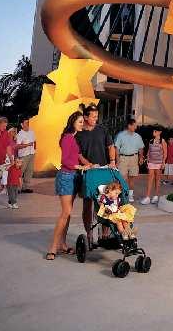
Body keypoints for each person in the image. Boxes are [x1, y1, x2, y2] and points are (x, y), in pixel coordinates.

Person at [46, 111, 91, 261]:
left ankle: (63, 244)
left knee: (68, 213)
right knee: (66, 212)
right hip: (66, 177)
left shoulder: (73, 137)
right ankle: (53, 247)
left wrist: (88, 164)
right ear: (73, 122)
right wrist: (80, 167)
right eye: (80, 122)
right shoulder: (67, 138)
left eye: (82, 122)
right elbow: (65, 160)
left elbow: (75, 156)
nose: (82, 124)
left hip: (74, 176)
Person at [76, 103, 116, 245]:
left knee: (106, 202)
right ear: (86, 117)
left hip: (103, 171)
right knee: (87, 205)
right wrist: (89, 164)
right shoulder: (79, 133)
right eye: (93, 116)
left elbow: (110, 146)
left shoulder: (102, 130)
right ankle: (89, 234)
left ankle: (105, 235)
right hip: (88, 173)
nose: (95, 119)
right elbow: (78, 154)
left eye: (97, 116)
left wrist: (112, 161)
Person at [115, 117, 144, 204]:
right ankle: (122, 195)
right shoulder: (120, 135)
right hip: (123, 158)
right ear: (129, 126)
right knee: (122, 178)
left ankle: (130, 195)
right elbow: (116, 148)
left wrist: (141, 157)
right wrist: (117, 160)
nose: (136, 127)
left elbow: (141, 148)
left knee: (132, 177)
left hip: (134, 158)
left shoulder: (137, 136)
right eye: (134, 125)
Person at [141, 128, 167, 205]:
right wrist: (147, 160)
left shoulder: (163, 141)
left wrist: (163, 163)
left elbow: (165, 153)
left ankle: (156, 196)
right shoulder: (151, 141)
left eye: (155, 131)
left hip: (159, 163)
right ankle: (147, 197)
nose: (154, 132)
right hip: (151, 162)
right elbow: (149, 151)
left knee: (157, 179)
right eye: (153, 131)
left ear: (160, 132)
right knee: (150, 179)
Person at [16, 118, 36, 193]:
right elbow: (17, 146)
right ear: (22, 124)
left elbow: (34, 141)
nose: (28, 124)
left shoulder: (32, 132)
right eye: (26, 123)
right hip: (23, 155)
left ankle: (25, 187)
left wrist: (34, 150)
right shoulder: (20, 134)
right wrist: (27, 145)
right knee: (20, 172)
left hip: (32, 154)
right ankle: (17, 188)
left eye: (28, 122)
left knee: (29, 171)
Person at [0, 127, 18, 195]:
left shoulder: (13, 140)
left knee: (7, 173)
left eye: (15, 132)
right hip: (7, 157)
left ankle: (5, 188)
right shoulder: (7, 140)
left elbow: (15, 149)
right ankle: (5, 188)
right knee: (5, 172)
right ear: (9, 132)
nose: (14, 133)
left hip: (11, 157)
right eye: (13, 131)